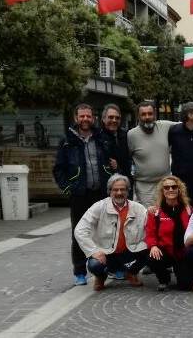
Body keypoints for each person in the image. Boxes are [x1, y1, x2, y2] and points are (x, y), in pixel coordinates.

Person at [54, 103, 114, 286]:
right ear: (76, 118)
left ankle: (104, 268)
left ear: (93, 118)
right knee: (79, 233)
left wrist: (111, 170)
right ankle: (80, 271)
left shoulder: (101, 138)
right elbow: (58, 170)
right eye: (82, 116)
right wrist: (68, 189)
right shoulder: (66, 141)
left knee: (104, 231)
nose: (85, 119)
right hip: (80, 194)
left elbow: (110, 161)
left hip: (100, 193)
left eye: (88, 116)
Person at [74, 174, 148, 291]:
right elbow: (80, 230)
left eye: (122, 189)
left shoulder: (138, 208)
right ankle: (101, 276)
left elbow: (151, 226)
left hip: (129, 252)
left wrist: (154, 212)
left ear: (128, 191)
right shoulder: (98, 207)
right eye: (115, 189)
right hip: (106, 253)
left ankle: (131, 272)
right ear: (109, 191)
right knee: (94, 265)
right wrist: (93, 251)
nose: (119, 192)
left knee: (151, 251)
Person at [145, 176, 192, 291]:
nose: (170, 189)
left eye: (174, 187)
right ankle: (164, 278)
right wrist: (153, 246)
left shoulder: (188, 210)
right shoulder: (155, 212)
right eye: (166, 187)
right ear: (162, 191)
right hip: (165, 251)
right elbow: (150, 233)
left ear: (179, 189)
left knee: (186, 286)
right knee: (152, 258)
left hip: (183, 252)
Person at [128, 101, 176, 207]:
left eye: (150, 113)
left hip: (166, 184)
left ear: (154, 114)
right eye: (143, 114)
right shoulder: (131, 135)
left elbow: (185, 125)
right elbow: (127, 157)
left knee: (167, 216)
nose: (147, 117)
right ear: (138, 116)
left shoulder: (165, 126)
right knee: (150, 217)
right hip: (145, 188)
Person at [100, 104, 132, 192]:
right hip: (106, 187)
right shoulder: (97, 137)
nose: (114, 120)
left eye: (117, 118)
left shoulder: (126, 135)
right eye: (110, 117)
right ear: (103, 119)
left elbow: (130, 159)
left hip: (125, 184)